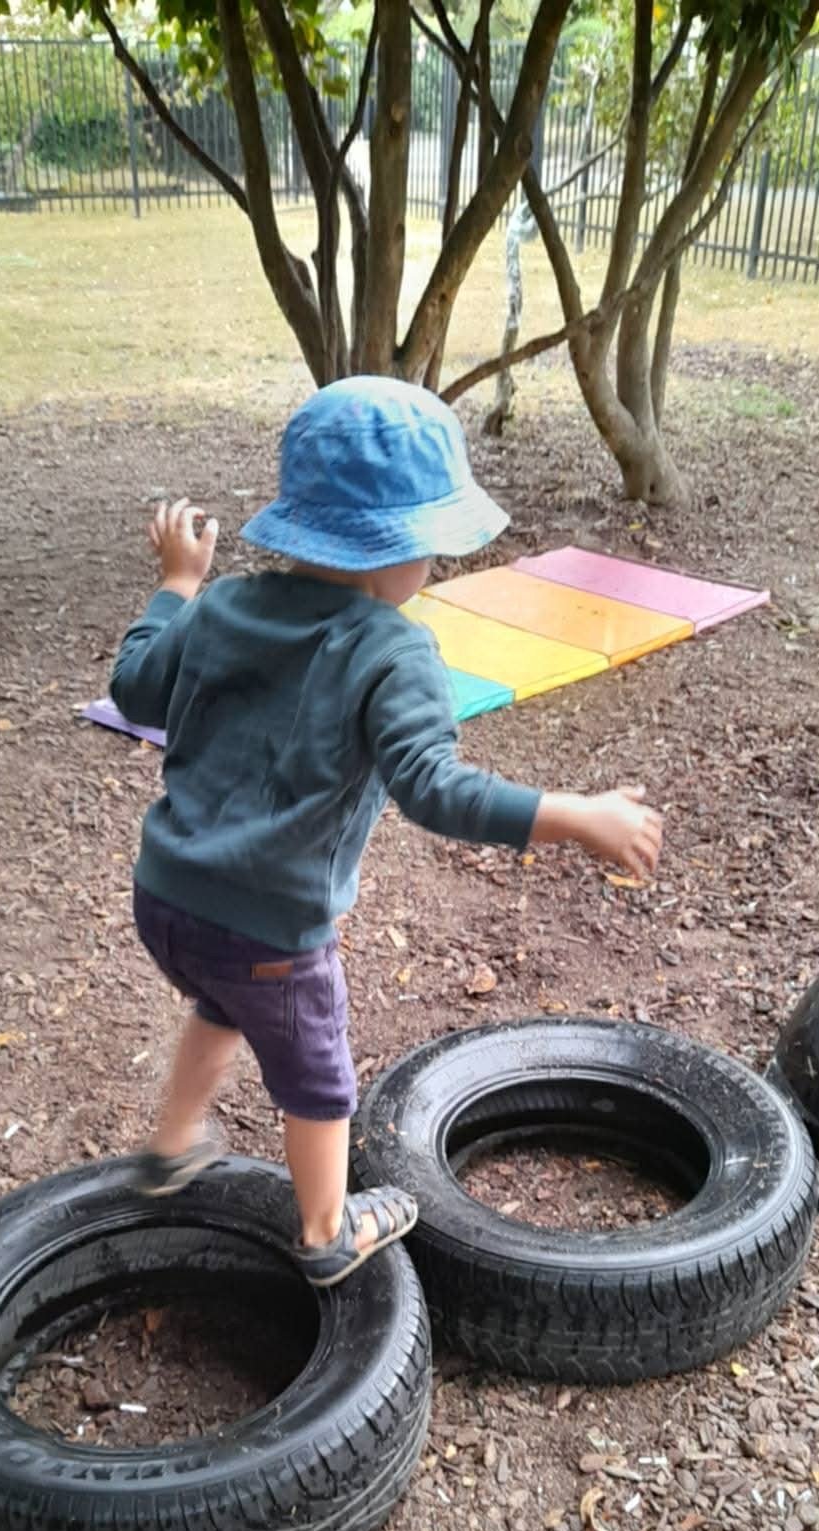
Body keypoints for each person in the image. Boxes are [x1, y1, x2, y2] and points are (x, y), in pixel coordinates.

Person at [111, 377, 663, 1288]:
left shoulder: (219, 606)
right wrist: (574, 814)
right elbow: (434, 790)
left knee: (218, 998)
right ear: (395, 550)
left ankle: (172, 1143)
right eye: (432, 548)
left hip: (165, 900)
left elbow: (135, 690)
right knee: (318, 1077)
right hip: (273, 935)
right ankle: (326, 1231)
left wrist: (176, 584)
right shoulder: (393, 649)